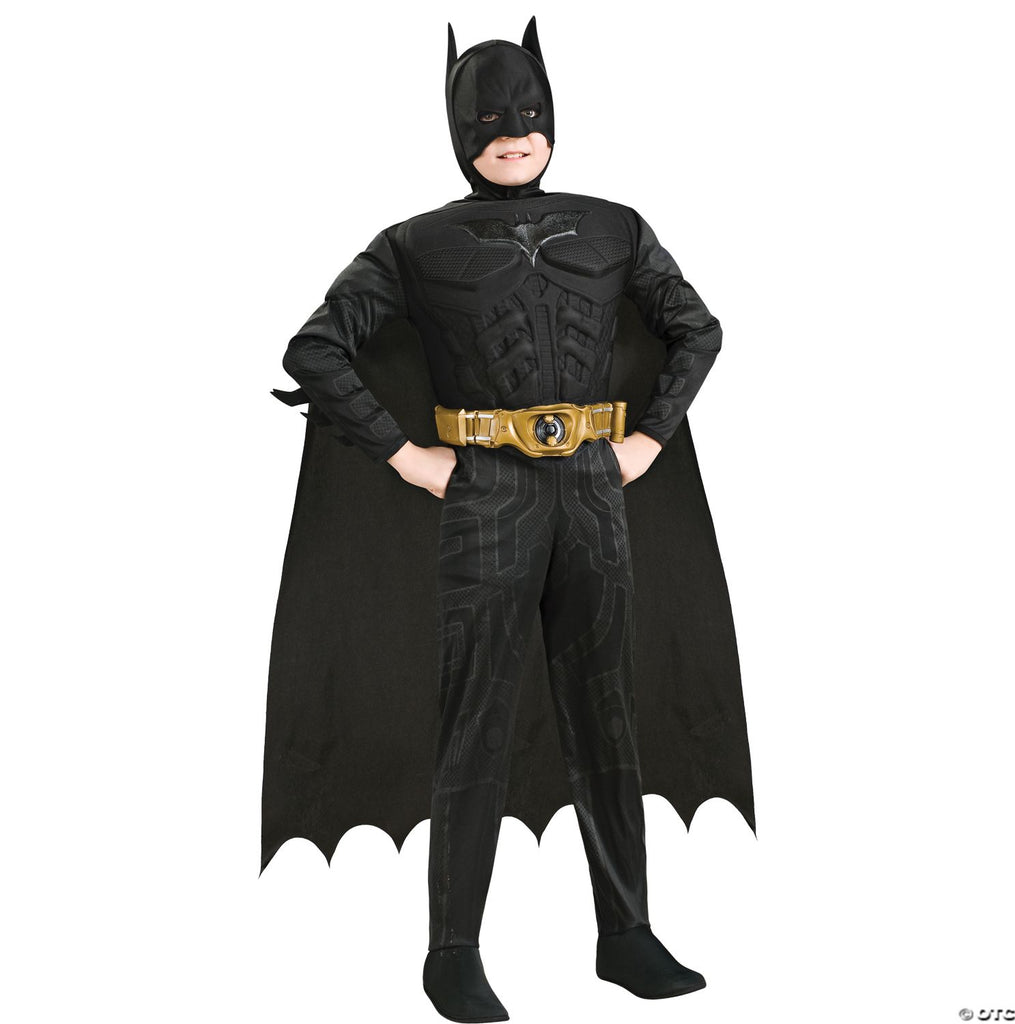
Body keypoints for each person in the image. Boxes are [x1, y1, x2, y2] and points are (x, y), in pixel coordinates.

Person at [263, 17, 755, 1023]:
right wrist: (408, 457)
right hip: (485, 492)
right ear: (457, 129)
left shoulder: (615, 227)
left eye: (528, 113)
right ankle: (452, 953)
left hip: (593, 487)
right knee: (474, 720)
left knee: (606, 710)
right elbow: (315, 348)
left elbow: (697, 330)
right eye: (488, 119)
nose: (513, 134)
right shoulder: (413, 244)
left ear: (553, 115)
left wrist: (649, 439)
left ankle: (626, 934)